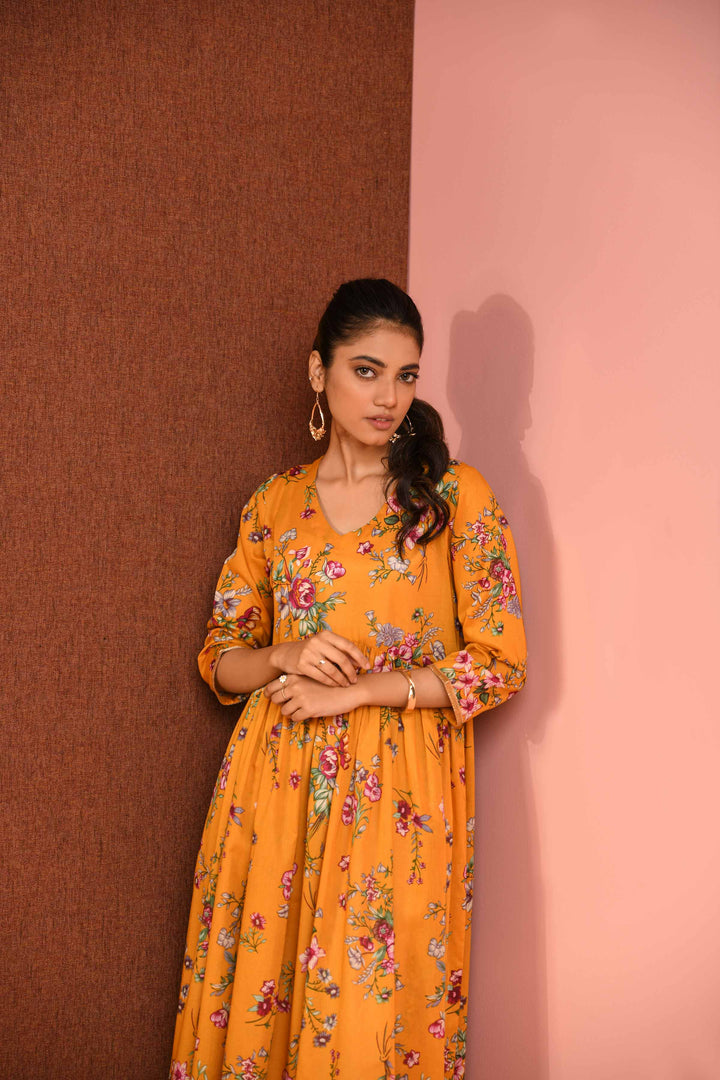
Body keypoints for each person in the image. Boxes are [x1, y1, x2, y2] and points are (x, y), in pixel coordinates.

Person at [169, 278, 527, 1080]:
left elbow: (500, 665)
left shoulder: (453, 500)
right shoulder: (274, 504)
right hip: (275, 789)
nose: (389, 397)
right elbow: (220, 658)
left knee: (370, 1022)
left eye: (406, 375)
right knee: (263, 1005)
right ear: (317, 371)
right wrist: (283, 655)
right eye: (367, 371)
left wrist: (364, 689)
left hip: (399, 799)